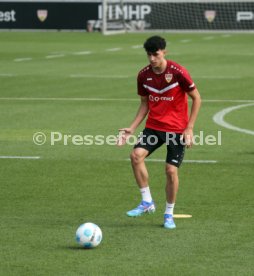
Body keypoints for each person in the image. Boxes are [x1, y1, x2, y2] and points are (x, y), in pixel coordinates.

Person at [117, 36, 201, 229]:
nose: (152, 59)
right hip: (154, 126)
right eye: (149, 55)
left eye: (155, 54)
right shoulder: (143, 75)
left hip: (177, 129)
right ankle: (147, 202)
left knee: (171, 171)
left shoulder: (178, 72)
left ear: (164, 52)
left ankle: (168, 214)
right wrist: (132, 127)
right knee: (136, 155)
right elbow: (144, 103)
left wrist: (189, 127)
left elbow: (197, 98)